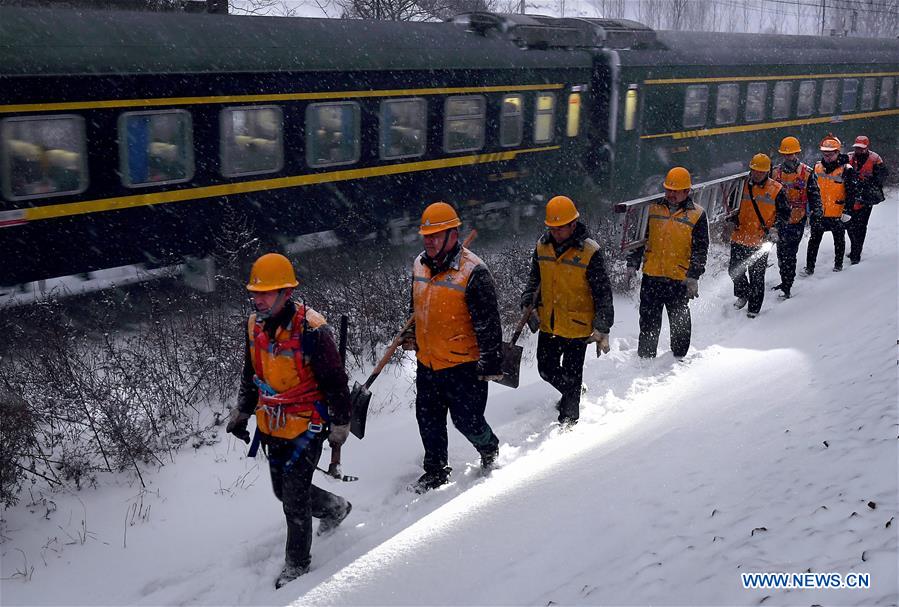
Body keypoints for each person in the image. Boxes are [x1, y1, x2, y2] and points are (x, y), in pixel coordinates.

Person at [226, 253, 353, 589]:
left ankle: (297, 564)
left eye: (265, 293)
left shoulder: (313, 329)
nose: (258, 299)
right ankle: (336, 508)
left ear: (286, 292)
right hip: (271, 425)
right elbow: (251, 372)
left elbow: (336, 382)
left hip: (306, 425)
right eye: (255, 293)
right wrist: (242, 411)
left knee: (294, 500)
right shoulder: (254, 325)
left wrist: (340, 425)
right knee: (282, 491)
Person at [403, 202, 503, 493]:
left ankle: (488, 446)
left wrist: (490, 362)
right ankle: (435, 471)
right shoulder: (419, 264)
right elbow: (416, 305)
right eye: (426, 235)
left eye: (435, 235)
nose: (429, 241)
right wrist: (413, 331)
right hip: (429, 362)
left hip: (464, 366)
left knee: (466, 420)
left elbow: (488, 323)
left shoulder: (473, 271)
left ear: (453, 234)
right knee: (428, 419)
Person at [520, 195, 614, 426]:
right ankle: (573, 391)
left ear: (574, 224)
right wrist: (527, 301)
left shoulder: (590, 252)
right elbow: (535, 279)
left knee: (572, 374)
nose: (556, 233)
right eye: (552, 228)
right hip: (550, 323)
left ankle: (569, 422)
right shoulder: (542, 247)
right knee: (546, 369)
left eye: (561, 228)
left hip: (578, 326)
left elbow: (603, 292)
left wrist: (602, 327)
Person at [626, 167, 708, 358]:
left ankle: (678, 358)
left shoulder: (697, 214)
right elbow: (639, 239)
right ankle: (646, 359)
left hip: (679, 279)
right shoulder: (652, 208)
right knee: (648, 321)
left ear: (687, 191)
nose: (670, 194)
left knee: (679, 321)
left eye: (675, 191)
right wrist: (632, 262)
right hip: (652, 276)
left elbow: (700, 249)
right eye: (668, 190)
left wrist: (693, 277)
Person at [728, 154, 790, 318]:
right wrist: (732, 218)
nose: (756, 174)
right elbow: (734, 206)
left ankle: (754, 309)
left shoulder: (777, 190)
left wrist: (775, 229)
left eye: (760, 172)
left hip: (760, 240)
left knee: (756, 276)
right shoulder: (742, 185)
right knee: (734, 270)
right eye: (754, 170)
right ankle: (743, 293)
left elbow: (785, 215)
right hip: (740, 236)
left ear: (767, 172)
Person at [770, 136, 822, 299]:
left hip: (796, 220)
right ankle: (784, 279)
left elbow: (814, 194)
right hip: (779, 221)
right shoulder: (775, 172)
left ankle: (787, 286)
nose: (788, 157)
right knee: (780, 254)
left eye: (791, 154)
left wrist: (817, 213)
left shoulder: (806, 172)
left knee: (790, 254)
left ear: (797, 153)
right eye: (786, 154)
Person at [805, 134, 857, 275]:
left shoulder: (847, 169)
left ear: (837, 153)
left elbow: (852, 193)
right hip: (819, 212)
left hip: (837, 212)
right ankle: (809, 268)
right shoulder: (816, 168)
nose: (827, 157)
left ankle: (838, 265)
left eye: (830, 154)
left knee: (839, 240)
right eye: (825, 154)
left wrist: (847, 211)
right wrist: (810, 210)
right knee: (814, 242)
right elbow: (809, 190)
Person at [846, 135, 889, 265]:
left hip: (866, 198)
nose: (858, 150)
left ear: (867, 147)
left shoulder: (875, 158)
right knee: (849, 225)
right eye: (857, 147)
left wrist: (867, 183)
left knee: (861, 226)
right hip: (851, 197)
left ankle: (856, 253)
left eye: (861, 148)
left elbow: (882, 176)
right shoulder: (848, 157)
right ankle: (855, 247)